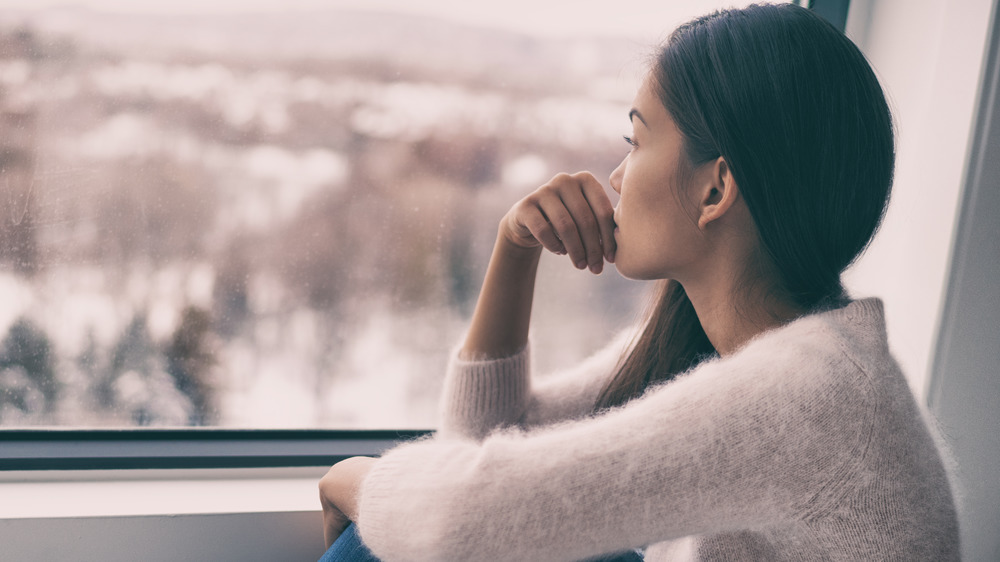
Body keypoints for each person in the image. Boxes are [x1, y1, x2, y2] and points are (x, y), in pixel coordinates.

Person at [317, 3, 960, 561]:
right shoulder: (728, 342)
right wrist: (514, 251)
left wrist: (354, 481)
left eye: (637, 140)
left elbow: (454, 521)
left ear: (716, 188)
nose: (618, 177)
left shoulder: (809, 397)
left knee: (378, 543)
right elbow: (485, 444)